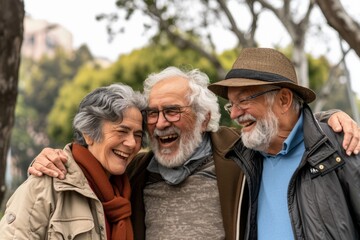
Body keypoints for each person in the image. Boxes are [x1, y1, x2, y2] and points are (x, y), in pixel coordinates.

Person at [28, 67, 360, 239]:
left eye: (172, 111)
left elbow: (277, 126)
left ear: (204, 118)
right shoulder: (135, 171)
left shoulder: (238, 154)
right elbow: (90, 167)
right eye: (152, 114)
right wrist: (52, 157)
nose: (159, 124)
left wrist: (328, 120)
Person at [208, 47, 360, 239]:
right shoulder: (239, 158)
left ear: (284, 99)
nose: (233, 114)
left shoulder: (340, 144)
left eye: (243, 101)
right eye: (231, 104)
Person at [0, 83, 147, 239]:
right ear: (88, 133)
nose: (132, 143)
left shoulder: (130, 188)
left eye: (137, 135)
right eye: (122, 131)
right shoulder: (45, 186)